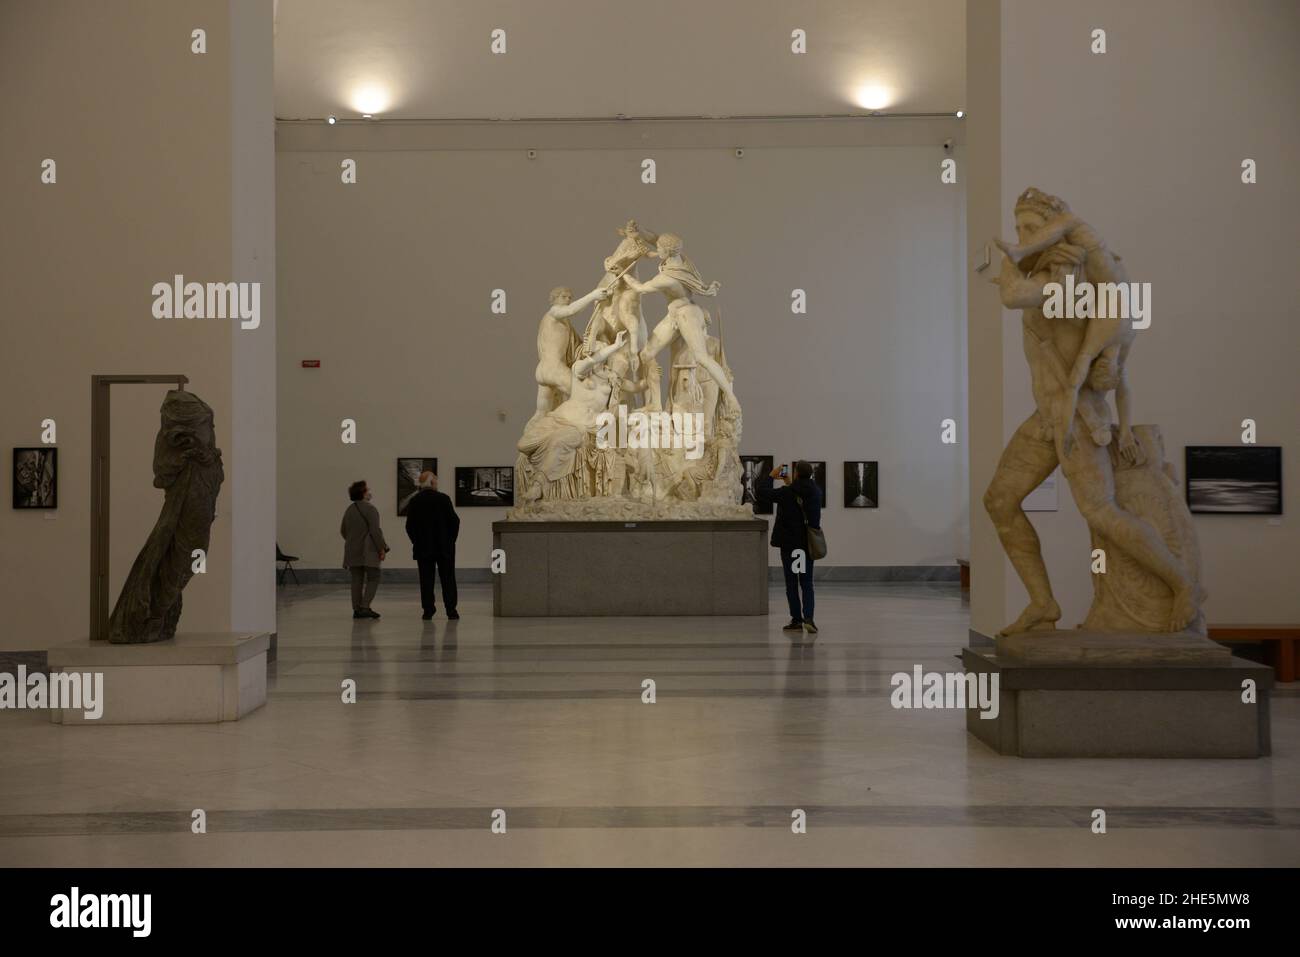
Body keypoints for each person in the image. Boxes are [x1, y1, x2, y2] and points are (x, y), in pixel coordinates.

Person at [756, 460, 822, 636]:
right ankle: (809, 618)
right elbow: (800, 494)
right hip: (806, 545)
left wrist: (770, 476)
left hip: (790, 546)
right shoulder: (816, 492)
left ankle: (796, 619)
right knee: (807, 582)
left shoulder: (787, 493)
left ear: (797, 474)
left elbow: (762, 492)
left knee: (792, 583)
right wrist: (790, 482)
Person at [404, 470, 461, 620]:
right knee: (448, 578)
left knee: (426, 579)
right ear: (432, 483)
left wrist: (417, 541)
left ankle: (428, 610)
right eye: (435, 481)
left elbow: (409, 526)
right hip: (444, 548)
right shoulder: (443, 499)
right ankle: (451, 610)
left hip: (423, 548)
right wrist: (450, 541)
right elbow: (454, 522)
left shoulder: (415, 501)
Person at [341, 479, 388, 619]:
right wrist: (382, 548)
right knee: (374, 577)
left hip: (351, 549)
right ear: (363, 493)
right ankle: (365, 607)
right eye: (368, 489)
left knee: (356, 579)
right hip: (368, 551)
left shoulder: (349, 510)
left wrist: (353, 541)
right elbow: (375, 531)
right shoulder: (370, 509)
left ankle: (356, 609)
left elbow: (343, 531)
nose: (370, 491)